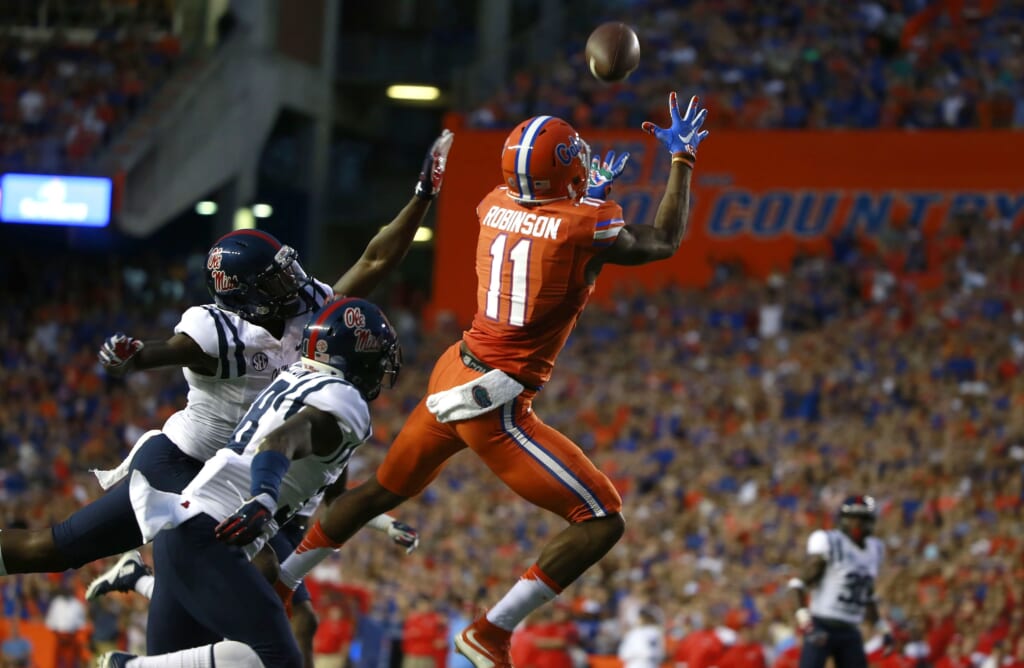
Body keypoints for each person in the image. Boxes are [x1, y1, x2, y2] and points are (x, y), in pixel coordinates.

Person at [275, 92, 710, 668]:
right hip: (495, 399)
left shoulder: (493, 200)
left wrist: (593, 195)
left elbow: (550, 231)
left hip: (455, 367)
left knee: (381, 489)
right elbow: (661, 241)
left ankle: (279, 580)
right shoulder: (587, 223)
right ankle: (490, 631)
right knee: (602, 520)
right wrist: (681, 160)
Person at [0, 131, 450, 663]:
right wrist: (134, 356)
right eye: (274, 279)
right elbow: (171, 350)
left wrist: (422, 193)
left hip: (237, 476)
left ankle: (146, 602)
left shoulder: (312, 315)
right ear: (243, 298)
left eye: (286, 270)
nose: (293, 282)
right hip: (182, 465)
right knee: (56, 549)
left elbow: (375, 260)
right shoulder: (217, 333)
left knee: (236, 598)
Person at [97, 297, 402, 668]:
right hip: (233, 523)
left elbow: (336, 498)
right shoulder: (343, 402)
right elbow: (279, 443)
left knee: (250, 628)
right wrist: (265, 497)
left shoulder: (301, 382)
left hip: (211, 521)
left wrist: (385, 523)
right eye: (377, 357)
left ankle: (137, 595)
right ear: (356, 356)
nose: (381, 370)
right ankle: (129, 665)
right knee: (278, 646)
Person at [788, 495, 889, 668]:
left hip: (850, 628)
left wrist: (881, 626)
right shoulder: (831, 542)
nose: (858, 524)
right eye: (853, 519)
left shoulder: (876, 548)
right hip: (822, 625)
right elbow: (797, 585)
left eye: (862, 519)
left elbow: (867, 593)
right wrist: (807, 625)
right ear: (844, 520)